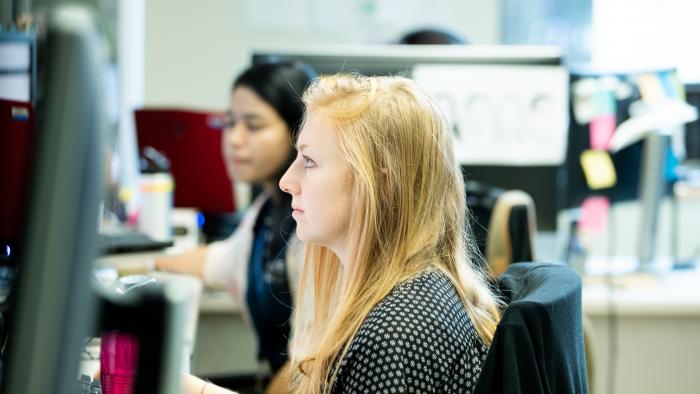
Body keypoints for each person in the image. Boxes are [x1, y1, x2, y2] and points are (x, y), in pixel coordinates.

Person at [186, 73, 502, 393]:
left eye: (309, 161)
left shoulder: (397, 335)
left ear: (380, 185)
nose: (287, 181)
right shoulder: (394, 296)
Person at [155, 61, 317, 383]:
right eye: (229, 123)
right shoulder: (265, 211)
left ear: (298, 133)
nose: (234, 139)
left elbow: (309, 365)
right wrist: (144, 263)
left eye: (253, 126)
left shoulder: (309, 225)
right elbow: (218, 260)